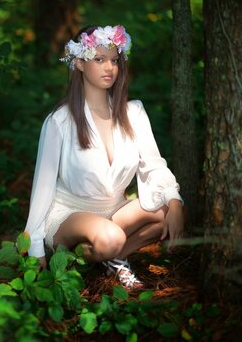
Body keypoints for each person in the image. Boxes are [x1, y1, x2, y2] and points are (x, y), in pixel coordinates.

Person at [23, 25, 184, 289]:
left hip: (114, 211)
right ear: (79, 63)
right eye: (99, 59)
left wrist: (175, 202)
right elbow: (42, 186)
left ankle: (113, 257)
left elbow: (154, 166)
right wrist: (34, 244)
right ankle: (82, 258)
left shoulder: (134, 113)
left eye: (114, 60)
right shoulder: (59, 121)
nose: (109, 67)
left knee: (168, 206)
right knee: (111, 237)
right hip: (69, 215)